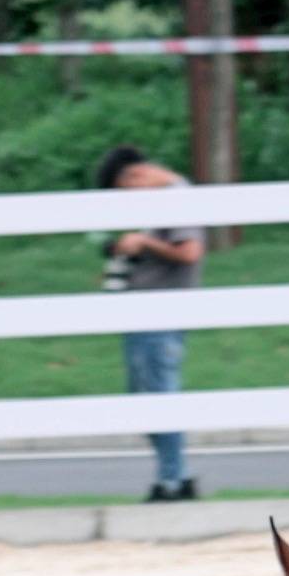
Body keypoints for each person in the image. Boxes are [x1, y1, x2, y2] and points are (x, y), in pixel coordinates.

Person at [95, 144, 207, 501]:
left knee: (158, 395)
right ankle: (176, 475)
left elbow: (190, 252)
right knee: (144, 398)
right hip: (145, 311)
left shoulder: (176, 198)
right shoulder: (166, 199)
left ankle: (173, 481)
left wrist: (142, 242)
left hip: (161, 313)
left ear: (136, 176)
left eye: (124, 193)